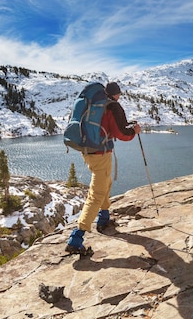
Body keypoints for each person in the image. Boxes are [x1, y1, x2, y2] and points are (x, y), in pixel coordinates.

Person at [65, 81, 141, 255]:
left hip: (88, 151)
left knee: (106, 182)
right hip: (101, 153)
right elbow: (121, 134)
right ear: (116, 94)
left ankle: (104, 218)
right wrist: (134, 131)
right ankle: (76, 238)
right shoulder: (113, 106)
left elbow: (110, 128)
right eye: (119, 94)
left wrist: (126, 126)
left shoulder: (94, 104)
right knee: (97, 193)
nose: (120, 97)